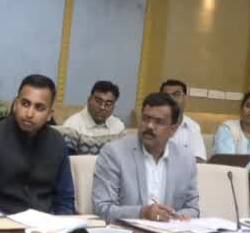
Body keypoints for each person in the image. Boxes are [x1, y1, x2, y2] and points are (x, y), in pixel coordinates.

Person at [0, 74, 75, 215]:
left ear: (49, 114)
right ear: (16, 105)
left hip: (46, 224)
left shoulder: (58, 143)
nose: (29, 113)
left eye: (39, 108)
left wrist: (60, 225)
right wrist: (9, 223)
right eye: (25, 104)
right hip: (1, 223)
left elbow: (65, 200)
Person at [91, 92, 200, 224]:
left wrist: (177, 216)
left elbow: (193, 208)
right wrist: (142, 213)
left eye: (158, 122)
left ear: (173, 130)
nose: (149, 126)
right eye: (146, 119)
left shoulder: (185, 159)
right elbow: (102, 209)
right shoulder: (114, 153)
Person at [61, 80, 126, 155]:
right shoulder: (72, 126)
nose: (102, 107)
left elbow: (122, 157)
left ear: (114, 106)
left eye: (108, 104)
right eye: (98, 101)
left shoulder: (118, 126)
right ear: (89, 99)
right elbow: (68, 159)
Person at [159, 79, 208, 161]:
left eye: (176, 95)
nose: (171, 99)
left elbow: (199, 159)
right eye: (166, 96)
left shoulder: (193, 126)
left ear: (185, 98)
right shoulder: (151, 123)